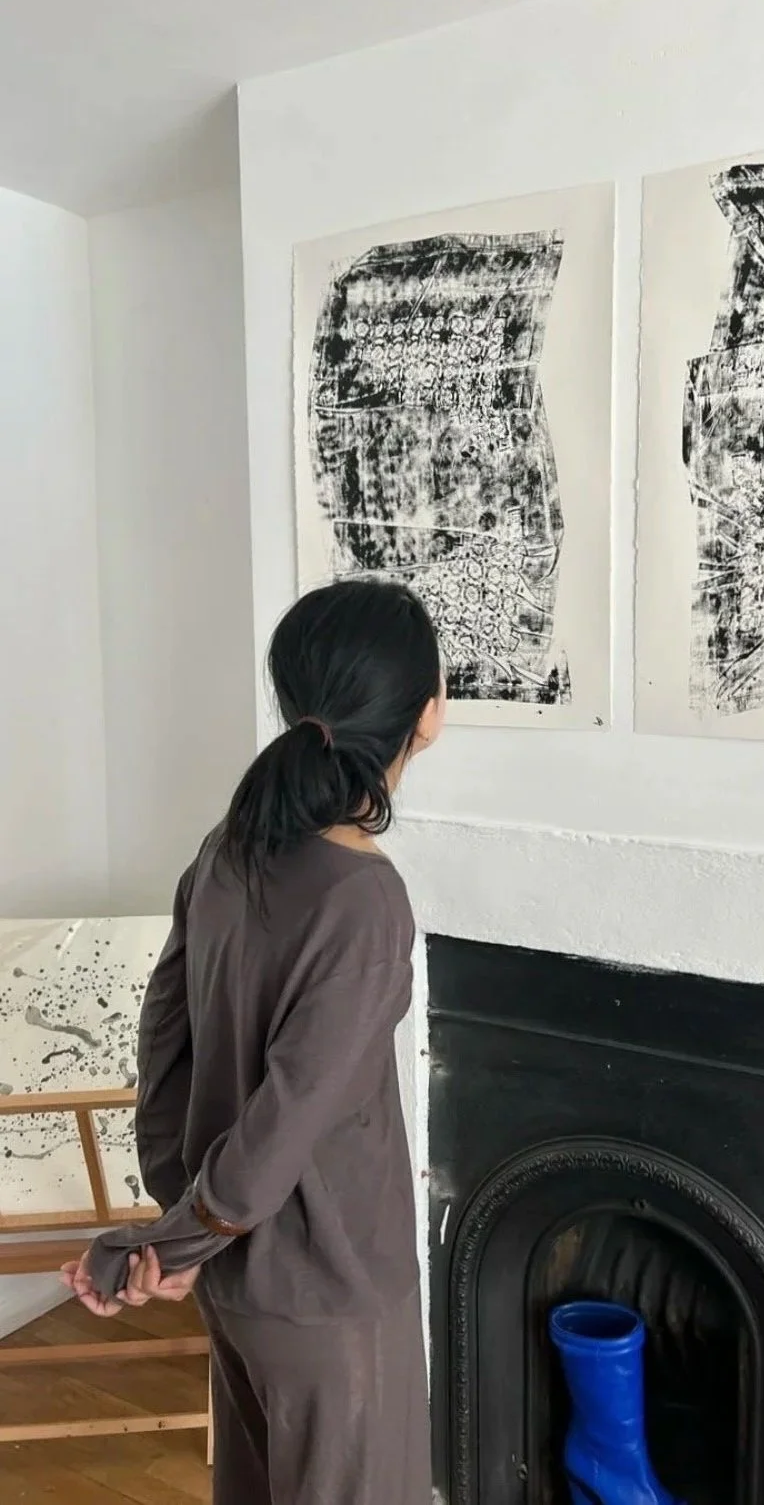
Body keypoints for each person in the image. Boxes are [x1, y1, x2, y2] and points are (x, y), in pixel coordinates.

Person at [60, 577, 445, 1505]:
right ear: (427, 717)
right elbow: (289, 1115)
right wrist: (181, 1236)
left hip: (238, 1279)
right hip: (331, 1292)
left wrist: (175, 1211)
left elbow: (164, 1039)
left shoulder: (227, 848)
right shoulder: (363, 896)